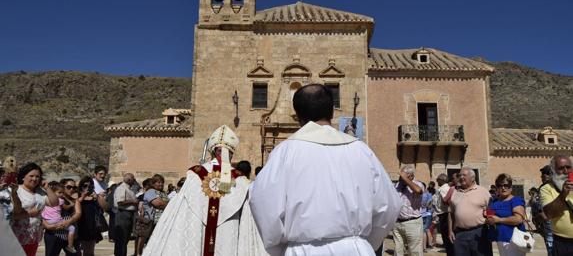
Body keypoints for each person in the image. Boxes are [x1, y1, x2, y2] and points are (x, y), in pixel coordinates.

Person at [250, 83, 401, 256]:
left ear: (298, 114)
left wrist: (281, 248)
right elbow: (389, 205)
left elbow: (263, 203)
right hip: (356, 250)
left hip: (303, 251)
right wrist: (363, 242)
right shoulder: (361, 151)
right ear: (332, 112)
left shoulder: (284, 152)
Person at [143, 124, 267, 256]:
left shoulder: (195, 175)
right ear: (231, 153)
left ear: (213, 150)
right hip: (227, 236)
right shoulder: (240, 180)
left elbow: (180, 210)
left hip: (198, 234)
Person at [10, 162, 59, 256]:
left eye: (37, 176)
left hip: (34, 237)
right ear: (23, 176)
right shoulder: (16, 190)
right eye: (31, 176)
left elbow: (54, 203)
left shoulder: (40, 192)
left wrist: (47, 188)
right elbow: (10, 215)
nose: (34, 179)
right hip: (16, 237)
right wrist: (29, 213)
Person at [448, 166, 492, 256]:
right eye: (460, 175)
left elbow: (491, 210)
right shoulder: (455, 192)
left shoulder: (483, 192)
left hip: (479, 233)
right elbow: (450, 213)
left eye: (464, 175)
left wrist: (491, 224)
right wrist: (450, 231)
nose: (461, 177)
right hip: (460, 234)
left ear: (472, 178)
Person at [486, 173, 527, 256]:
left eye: (506, 185)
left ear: (511, 187)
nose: (503, 188)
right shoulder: (494, 202)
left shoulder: (516, 200)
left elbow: (518, 219)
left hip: (514, 240)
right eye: (500, 186)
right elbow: (489, 216)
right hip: (500, 239)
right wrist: (488, 219)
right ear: (497, 188)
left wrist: (499, 220)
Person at [540, 155, 573, 255]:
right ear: (553, 170)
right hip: (563, 244)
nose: (566, 171)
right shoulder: (546, 189)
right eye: (561, 168)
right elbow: (549, 214)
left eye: (568, 167)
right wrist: (563, 194)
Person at [393, 165, 424, 256]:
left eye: (402, 176)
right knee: (398, 251)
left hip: (412, 223)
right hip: (397, 223)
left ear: (410, 176)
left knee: (415, 252)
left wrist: (406, 180)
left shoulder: (418, 184)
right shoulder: (397, 185)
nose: (400, 177)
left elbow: (418, 191)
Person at [41, 181, 77, 254]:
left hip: (48, 221)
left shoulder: (45, 199)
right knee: (72, 228)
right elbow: (67, 207)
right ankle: (70, 246)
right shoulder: (60, 201)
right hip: (56, 220)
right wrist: (69, 201)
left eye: (63, 193)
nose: (62, 194)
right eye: (59, 193)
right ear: (53, 192)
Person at [76, 176, 106, 256]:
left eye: (90, 186)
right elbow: (73, 206)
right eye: (85, 186)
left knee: (89, 252)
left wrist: (98, 197)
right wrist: (83, 196)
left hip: (91, 228)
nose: (87, 188)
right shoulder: (77, 196)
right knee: (75, 252)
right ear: (81, 187)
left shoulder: (94, 198)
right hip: (79, 226)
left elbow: (105, 207)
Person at [113, 173, 138, 256]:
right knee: (121, 240)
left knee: (125, 240)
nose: (134, 181)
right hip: (123, 214)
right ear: (129, 180)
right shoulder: (122, 188)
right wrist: (133, 201)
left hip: (128, 215)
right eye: (133, 179)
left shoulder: (128, 189)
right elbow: (120, 202)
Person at [534, 165, 553, 256]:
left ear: (550, 175)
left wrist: (537, 219)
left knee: (551, 249)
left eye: (543, 174)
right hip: (549, 226)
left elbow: (545, 212)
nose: (541, 177)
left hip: (550, 226)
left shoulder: (544, 188)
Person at [434, 173, 453, 256]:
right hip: (443, 215)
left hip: (444, 215)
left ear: (441, 180)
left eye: (438, 180)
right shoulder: (443, 188)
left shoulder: (444, 189)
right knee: (445, 238)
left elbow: (448, 201)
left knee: (447, 239)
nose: (437, 182)